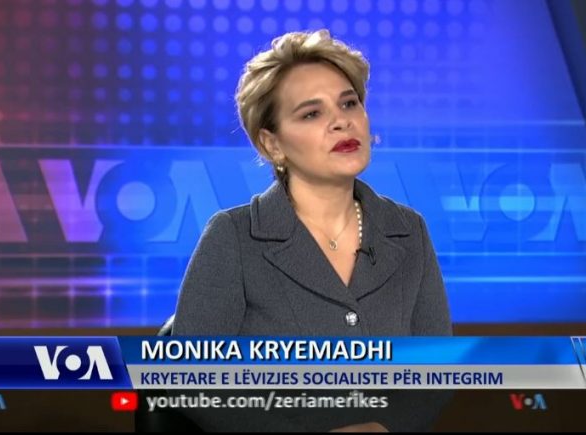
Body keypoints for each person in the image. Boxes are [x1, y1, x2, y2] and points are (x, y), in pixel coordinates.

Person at [172, 29, 452, 432]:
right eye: (311, 114)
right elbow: (191, 379)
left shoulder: (408, 231)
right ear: (272, 145)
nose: (341, 121)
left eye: (349, 103)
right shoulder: (233, 237)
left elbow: (434, 369)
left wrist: (384, 427)